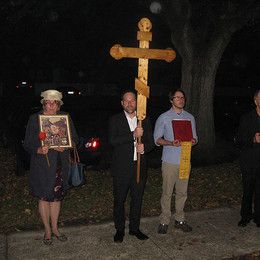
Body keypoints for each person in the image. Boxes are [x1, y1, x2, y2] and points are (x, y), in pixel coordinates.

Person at [23, 89, 78, 245]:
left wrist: (67, 146)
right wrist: (38, 149)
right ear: (44, 103)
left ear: (59, 105)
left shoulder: (65, 118)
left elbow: (75, 140)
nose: (51, 104)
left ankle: (55, 229)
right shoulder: (35, 119)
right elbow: (27, 144)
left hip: (60, 165)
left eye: (55, 102)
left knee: (55, 198)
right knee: (44, 197)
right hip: (42, 166)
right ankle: (47, 231)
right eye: (48, 102)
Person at [108, 90, 154, 243]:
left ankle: (134, 228)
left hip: (139, 166)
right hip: (121, 168)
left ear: (137, 102)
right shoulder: (115, 120)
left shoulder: (144, 120)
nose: (129, 103)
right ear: (122, 103)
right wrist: (132, 134)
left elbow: (151, 142)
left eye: (132, 100)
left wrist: (144, 148)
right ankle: (119, 229)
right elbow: (113, 140)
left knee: (137, 199)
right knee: (119, 199)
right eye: (126, 101)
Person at [154, 89, 197, 234]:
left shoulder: (190, 117)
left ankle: (179, 219)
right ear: (171, 100)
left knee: (182, 192)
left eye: (182, 97)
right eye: (177, 97)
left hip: (185, 160)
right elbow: (157, 139)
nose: (181, 99)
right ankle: (164, 220)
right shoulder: (164, 117)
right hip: (169, 161)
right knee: (167, 192)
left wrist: (193, 140)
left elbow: (195, 139)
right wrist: (172, 143)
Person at [237, 89, 260, 227]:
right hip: (249, 161)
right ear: (255, 101)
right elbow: (239, 140)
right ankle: (245, 216)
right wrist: (253, 139)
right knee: (248, 190)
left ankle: (258, 217)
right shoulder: (246, 118)